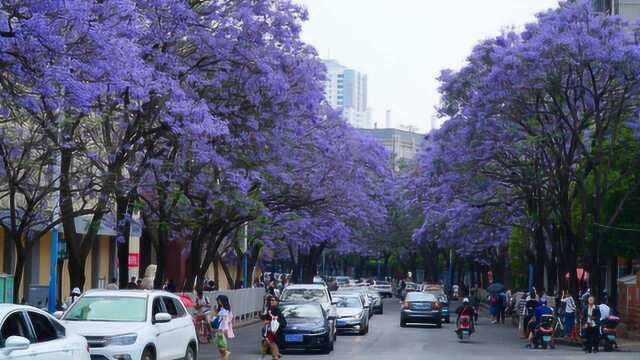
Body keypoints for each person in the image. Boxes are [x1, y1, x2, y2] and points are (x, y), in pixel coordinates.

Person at [211, 295, 234, 359]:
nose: (218, 302)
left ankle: (225, 354)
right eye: (218, 300)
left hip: (222, 329)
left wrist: (224, 330)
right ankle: (224, 356)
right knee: (219, 344)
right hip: (220, 328)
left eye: (219, 300)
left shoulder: (225, 311)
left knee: (221, 344)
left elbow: (225, 321)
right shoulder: (222, 309)